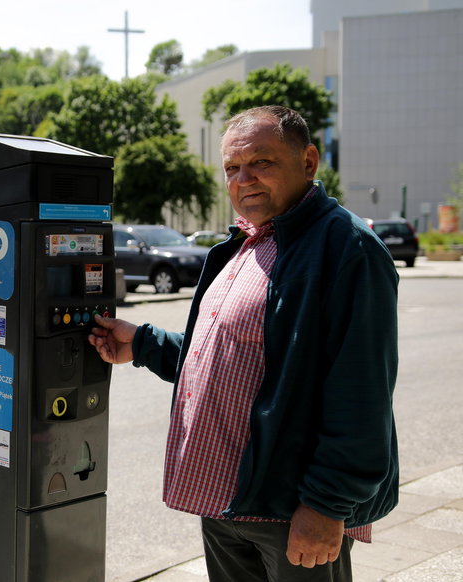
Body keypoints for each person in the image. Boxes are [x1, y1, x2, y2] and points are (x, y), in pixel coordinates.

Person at [89, 105, 398, 581]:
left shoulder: (347, 248)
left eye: (262, 162)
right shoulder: (243, 245)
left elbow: (361, 394)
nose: (244, 179)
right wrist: (143, 343)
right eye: (232, 168)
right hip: (224, 498)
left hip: (291, 510)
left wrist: (326, 506)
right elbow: (224, 355)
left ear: (309, 162)